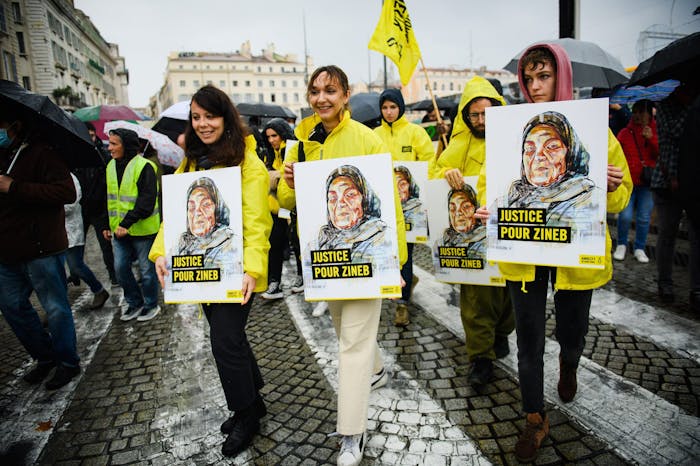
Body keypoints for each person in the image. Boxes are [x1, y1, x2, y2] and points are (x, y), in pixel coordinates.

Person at [474, 44, 631, 463]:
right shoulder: (508, 130)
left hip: (575, 260)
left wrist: (612, 189)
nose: (534, 86)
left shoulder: (599, 134)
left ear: (559, 76)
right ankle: (534, 418)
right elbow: (493, 184)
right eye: (528, 78)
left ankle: (569, 363)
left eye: (543, 76)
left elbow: (621, 197)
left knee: (572, 332)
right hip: (523, 256)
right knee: (527, 340)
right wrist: (489, 207)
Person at [278, 65, 407, 466]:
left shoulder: (367, 140)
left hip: (367, 260)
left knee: (351, 345)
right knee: (346, 332)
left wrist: (397, 261)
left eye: (330, 90)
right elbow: (285, 203)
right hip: (326, 261)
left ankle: (351, 433)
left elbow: (389, 206)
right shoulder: (300, 142)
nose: (322, 99)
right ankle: (378, 368)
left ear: (346, 94)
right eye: (315, 91)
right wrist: (287, 183)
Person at [149, 85, 271, 458]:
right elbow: (177, 214)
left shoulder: (247, 160)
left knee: (224, 340)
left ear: (225, 117)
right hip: (200, 269)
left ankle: (246, 414)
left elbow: (256, 219)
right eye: (197, 117)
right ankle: (256, 397)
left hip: (236, 270)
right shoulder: (191, 160)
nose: (203, 124)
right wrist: (160, 251)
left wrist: (252, 267)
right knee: (231, 339)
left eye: (210, 116)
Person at [432, 75, 514, 388]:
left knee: (508, 293)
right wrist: (446, 172)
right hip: (471, 236)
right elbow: (435, 174)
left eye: (486, 113)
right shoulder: (458, 143)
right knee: (477, 298)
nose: (480, 120)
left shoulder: (513, 137)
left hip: (507, 231)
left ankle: (502, 332)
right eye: (474, 114)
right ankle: (480, 356)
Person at [0, 111, 81, 390]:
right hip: (7, 250)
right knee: (12, 307)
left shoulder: (43, 153)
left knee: (55, 309)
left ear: (15, 123)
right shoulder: (5, 156)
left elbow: (66, 193)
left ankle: (67, 363)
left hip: (42, 248)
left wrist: (15, 187)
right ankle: (44, 356)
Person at [374, 88, 433, 326]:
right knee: (390, 252)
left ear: (401, 108)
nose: (389, 112)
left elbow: (429, 163)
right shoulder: (374, 134)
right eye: (385, 108)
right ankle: (407, 282)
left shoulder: (415, 133)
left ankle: (402, 304)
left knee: (404, 254)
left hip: (409, 208)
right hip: (385, 205)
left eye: (393, 107)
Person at [506, 111, 602, 237]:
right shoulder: (511, 199)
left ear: (570, 153)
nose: (538, 156)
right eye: (529, 149)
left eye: (551, 146)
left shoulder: (590, 199)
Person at [101, 128, 161, 323]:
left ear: (126, 146)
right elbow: (108, 199)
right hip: (119, 232)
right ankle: (134, 302)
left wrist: (126, 223)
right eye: (109, 143)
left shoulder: (145, 166)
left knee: (146, 271)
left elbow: (147, 201)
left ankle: (151, 304)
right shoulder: (110, 166)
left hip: (143, 230)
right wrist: (105, 224)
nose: (109, 148)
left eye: (114, 144)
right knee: (120, 269)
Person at [652, 82, 700, 308]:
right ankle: (665, 283)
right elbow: (673, 131)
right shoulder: (665, 107)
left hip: (694, 183)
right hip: (666, 182)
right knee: (667, 234)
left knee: (696, 237)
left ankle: (696, 289)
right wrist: (692, 109)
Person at [260, 118, 302, 300]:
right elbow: (263, 179)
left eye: (274, 136)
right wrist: (275, 177)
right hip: (274, 210)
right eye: (268, 136)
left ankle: (302, 277)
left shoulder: (293, 149)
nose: (271, 140)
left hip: (293, 208)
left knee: (298, 244)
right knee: (274, 246)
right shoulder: (267, 154)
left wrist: (275, 177)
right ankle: (274, 282)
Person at [613, 100, 658, 263]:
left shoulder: (654, 131)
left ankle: (639, 247)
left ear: (649, 113)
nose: (638, 115)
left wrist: (651, 139)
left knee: (644, 218)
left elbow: (660, 154)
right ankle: (621, 244)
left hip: (647, 184)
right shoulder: (625, 133)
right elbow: (617, 156)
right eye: (636, 111)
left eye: (642, 112)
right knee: (624, 216)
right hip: (628, 183)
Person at [74, 121, 117, 287]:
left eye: (92, 135)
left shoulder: (103, 154)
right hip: (82, 208)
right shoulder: (76, 154)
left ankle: (113, 275)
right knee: (77, 244)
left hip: (99, 208)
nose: (90, 138)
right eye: (87, 135)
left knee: (105, 246)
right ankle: (75, 273)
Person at [64, 172, 110, 309]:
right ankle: (55, 307)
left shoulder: (69, 177)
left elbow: (72, 202)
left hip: (71, 230)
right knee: (56, 270)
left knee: (75, 265)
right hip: (53, 233)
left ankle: (99, 290)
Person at [177, 176, 240, 272]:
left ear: (217, 209)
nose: (197, 212)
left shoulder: (230, 244)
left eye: (205, 204)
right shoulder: (182, 245)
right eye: (191, 207)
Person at [437, 183, 485, 257]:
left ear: (476, 208)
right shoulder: (443, 241)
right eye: (452, 208)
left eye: (465, 206)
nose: (458, 212)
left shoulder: (485, 242)